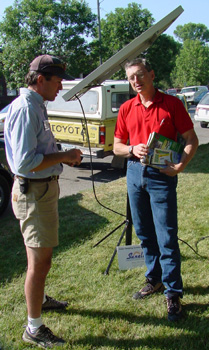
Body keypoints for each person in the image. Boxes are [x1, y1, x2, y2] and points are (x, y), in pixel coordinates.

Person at [4, 54, 82, 347]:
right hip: (33, 194)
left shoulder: (36, 106)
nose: (61, 85)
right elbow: (24, 163)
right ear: (40, 80)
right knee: (39, 263)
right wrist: (64, 156)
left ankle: (39, 299)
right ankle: (33, 327)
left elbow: (37, 148)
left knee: (41, 261)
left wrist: (61, 154)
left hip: (42, 191)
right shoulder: (27, 109)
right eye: (57, 79)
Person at [113, 58, 198, 321]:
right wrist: (130, 149)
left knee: (167, 236)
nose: (136, 82)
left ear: (151, 74)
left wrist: (180, 166)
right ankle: (155, 279)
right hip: (135, 174)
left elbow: (190, 139)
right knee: (145, 233)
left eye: (140, 75)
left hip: (162, 176)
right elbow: (116, 146)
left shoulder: (172, 104)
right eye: (131, 78)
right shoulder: (127, 108)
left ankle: (173, 293)